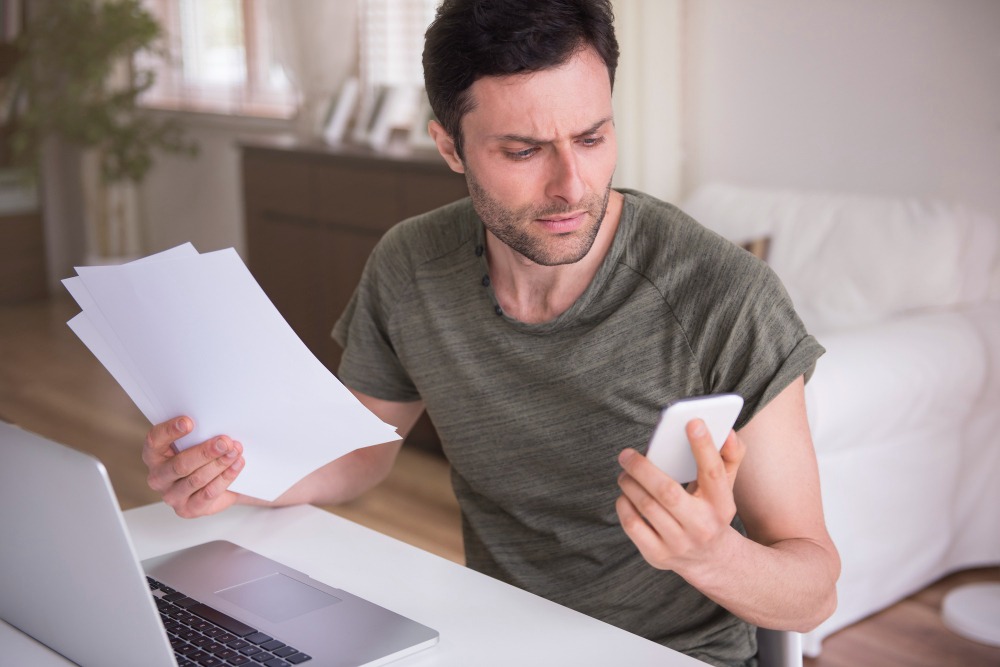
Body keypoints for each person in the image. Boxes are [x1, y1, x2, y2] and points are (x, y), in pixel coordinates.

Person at [142, 1, 840, 664]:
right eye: (523, 150)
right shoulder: (410, 266)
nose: (572, 185)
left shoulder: (724, 297)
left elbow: (814, 590)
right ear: (449, 145)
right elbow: (361, 451)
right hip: (493, 635)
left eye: (593, 138)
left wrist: (709, 552)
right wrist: (240, 474)